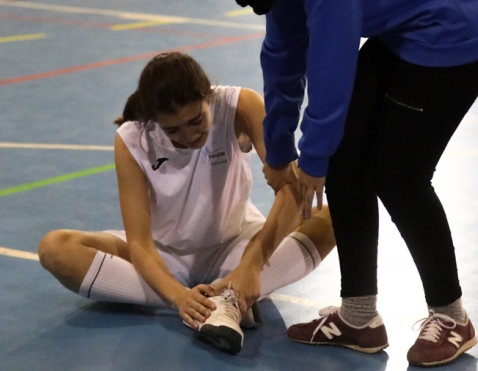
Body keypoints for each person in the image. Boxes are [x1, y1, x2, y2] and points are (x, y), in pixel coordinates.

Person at [192, 0, 478, 366]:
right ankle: (358, 317)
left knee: (397, 174)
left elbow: (332, 50)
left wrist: (312, 155)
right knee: (343, 156)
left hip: (459, 27)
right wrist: (280, 150)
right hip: (406, 28)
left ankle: (453, 318)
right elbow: (284, 48)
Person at [38, 52, 335, 355]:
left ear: (208, 97)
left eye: (196, 120)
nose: (189, 135)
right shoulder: (131, 138)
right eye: (172, 130)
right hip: (164, 256)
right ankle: (223, 302)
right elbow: (139, 243)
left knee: (332, 217)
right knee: (56, 248)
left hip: (236, 245)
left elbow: (291, 191)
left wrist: (251, 264)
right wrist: (178, 297)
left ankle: (229, 293)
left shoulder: (240, 105)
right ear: (154, 121)